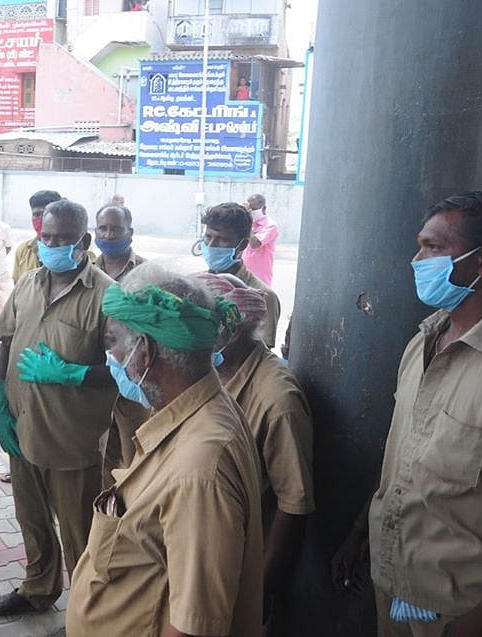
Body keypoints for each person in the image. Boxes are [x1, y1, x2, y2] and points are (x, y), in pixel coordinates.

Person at [330, 190, 482, 637]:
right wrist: (360, 530)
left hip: (462, 607)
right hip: (393, 586)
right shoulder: (424, 341)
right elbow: (404, 449)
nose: (417, 259)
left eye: (433, 247)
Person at [66, 262, 263, 637]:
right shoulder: (191, 417)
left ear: (145, 351)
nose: (112, 356)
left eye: (114, 342)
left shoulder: (199, 468)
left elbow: (194, 627)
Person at [0, 199, 117, 617]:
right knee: (32, 520)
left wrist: (73, 373)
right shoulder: (27, 283)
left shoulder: (107, 296)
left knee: (80, 533)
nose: (53, 245)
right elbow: (5, 341)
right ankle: (38, 589)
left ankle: (85, 612)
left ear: (85, 241)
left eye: (64, 239)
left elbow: (125, 371)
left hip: (72, 439)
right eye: (47, 237)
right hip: (22, 431)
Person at [201, 273, 314, 630]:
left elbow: (293, 505)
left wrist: (261, 589)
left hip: (240, 567)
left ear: (232, 330)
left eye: (202, 327)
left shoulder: (278, 401)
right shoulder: (211, 371)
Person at [94, 204, 150, 488]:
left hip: (133, 387)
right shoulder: (87, 271)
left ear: (130, 232)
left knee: (136, 462)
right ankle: (107, 519)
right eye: (102, 228)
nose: (108, 234)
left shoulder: (148, 274)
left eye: (115, 229)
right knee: (101, 462)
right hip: (96, 384)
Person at [202, 201, 281, 348]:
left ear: (243, 245)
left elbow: (259, 355)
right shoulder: (195, 283)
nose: (211, 245)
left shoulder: (263, 297)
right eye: (208, 236)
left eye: (222, 239)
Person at [13, 190, 61, 283]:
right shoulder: (23, 251)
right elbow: (17, 288)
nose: (41, 219)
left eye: (45, 214)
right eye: (36, 215)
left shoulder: (69, 252)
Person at [242, 194, 280, 286]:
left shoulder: (271, 226)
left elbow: (255, 244)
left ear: (264, 209)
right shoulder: (248, 224)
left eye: (253, 210)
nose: (251, 212)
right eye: (249, 209)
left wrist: (248, 221)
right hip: (243, 274)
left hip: (260, 278)